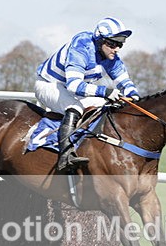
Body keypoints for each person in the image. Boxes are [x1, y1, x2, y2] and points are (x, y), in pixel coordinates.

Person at [35, 17, 141, 171]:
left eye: (120, 44)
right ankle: (66, 156)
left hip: (72, 90)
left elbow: (125, 82)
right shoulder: (81, 46)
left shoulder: (111, 57)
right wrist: (105, 91)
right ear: (100, 40)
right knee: (75, 107)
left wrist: (135, 97)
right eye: (112, 43)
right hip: (49, 84)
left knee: (108, 106)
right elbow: (74, 85)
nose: (116, 48)